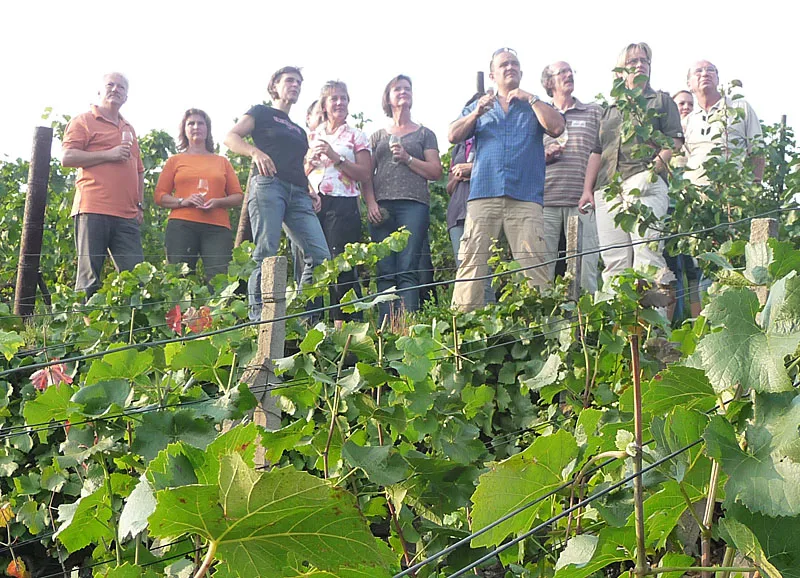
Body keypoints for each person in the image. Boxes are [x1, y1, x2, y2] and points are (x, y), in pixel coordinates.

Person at [449, 48, 565, 312]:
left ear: (521, 73)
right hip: (483, 195)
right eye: (503, 64)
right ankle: (464, 332)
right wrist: (476, 112)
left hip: (525, 197)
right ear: (492, 74)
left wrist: (533, 99)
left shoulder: (533, 105)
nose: (509, 67)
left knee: (534, 266)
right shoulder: (478, 106)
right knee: (472, 265)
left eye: (514, 64)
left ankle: (539, 333)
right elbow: (452, 135)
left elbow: (557, 128)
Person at [224, 66, 330, 320]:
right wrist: (254, 152)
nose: (295, 85)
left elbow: (294, 164)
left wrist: (309, 189)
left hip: (298, 193)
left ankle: (307, 321)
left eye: (299, 83)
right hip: (269, 186)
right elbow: (230, 137)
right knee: (265, 250)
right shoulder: (261, 113)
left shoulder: (299, 130)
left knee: (320, 256)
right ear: (275, 85)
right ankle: (258, 319)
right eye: (290, 81)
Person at [579, 42, 682, 288]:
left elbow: (674, 142)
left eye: (644, 61)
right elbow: (596, 152)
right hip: (608, 189)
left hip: (643, 181)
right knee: (614, 262)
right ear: (620, 71)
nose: (639, 65)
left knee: (647, 256)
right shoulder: (610, 109)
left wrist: (651, 172)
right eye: (632, 62)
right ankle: (620, 323)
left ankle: (650, 324)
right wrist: (587, 190)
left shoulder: (661, 100)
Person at [61, 72, 145, 298]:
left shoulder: (129, 128)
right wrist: (109, 154)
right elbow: (67, 157)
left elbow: (139, 170)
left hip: (127, 215)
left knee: (137, 277)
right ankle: (84, 330)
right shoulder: (83, 121)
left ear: (126, 97)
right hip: (93, 208)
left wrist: (140, 205)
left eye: (121, 87)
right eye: (111, 85)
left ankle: (130, 330)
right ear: (100, 91)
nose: (115, 89)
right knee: (89, 279)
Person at [366, 75, 442, 322]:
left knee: (408, 269)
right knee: (385, 270)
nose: (403, 92)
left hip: (414, 206)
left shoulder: (425, 134)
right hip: (382, 207)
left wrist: (408, 159)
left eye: (407, 88)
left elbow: (435, 171)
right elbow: (366, 176)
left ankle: (407, 329)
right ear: (388, 98)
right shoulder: (377, 136)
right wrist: (370, 203)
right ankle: (385, 331)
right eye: (397, 89)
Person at [305, 81, 372, 324]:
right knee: (312, 265)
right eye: (334, 98)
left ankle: (346, 329)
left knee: (341, 265)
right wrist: (309, 162)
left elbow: (365, 174)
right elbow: (300, 172)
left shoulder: (357, 135)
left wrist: (336, 157)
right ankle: (312, 327)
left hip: (343, 205)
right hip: (313, 203)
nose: (339, 103)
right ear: (324, 105)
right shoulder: (312, 135)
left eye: (343, 98)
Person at [154, 109, 243, 281]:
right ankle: (182, 310)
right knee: (179, 279)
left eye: (200, 123)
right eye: (191, 123)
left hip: (217, 228)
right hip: (182, 226)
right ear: (184, 130)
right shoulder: (175, 161)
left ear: (207, 129)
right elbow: (160, 196)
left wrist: (218, 202)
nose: (196, 127)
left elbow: (238, 196)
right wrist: (183, 201)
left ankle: (213, 309)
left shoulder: (222, 161)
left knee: (219, 279)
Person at [541, 61, 602, 293]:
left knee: (585, 270)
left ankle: (585, 325)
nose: (568, 75)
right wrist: (543, 155)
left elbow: (604, 150)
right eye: (562, 72)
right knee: (542, 270)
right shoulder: (539, 115)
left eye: (570, 71)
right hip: (546, 201)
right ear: (549, 83)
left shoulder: (593, 111)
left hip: (583, 201)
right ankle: (547, 327)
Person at [683, 60, 763, 185]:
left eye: (710, 70)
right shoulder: (688, 121)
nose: (705, 74)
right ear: (689, 84)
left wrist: (756, 184)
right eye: (698, 71)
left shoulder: (739, 108)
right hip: (695, 198)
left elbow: (757, 150)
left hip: (733, 194)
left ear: (718, 79)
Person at [666, 90, 702, 320]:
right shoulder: (664, 137)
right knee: (673, 267)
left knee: (693, 268)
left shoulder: (698, 133)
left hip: (692, 210)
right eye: (681, 103)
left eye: (690, 103)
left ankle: (696, 321)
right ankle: (676, 321)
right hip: (669, 210)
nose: (686, 107)